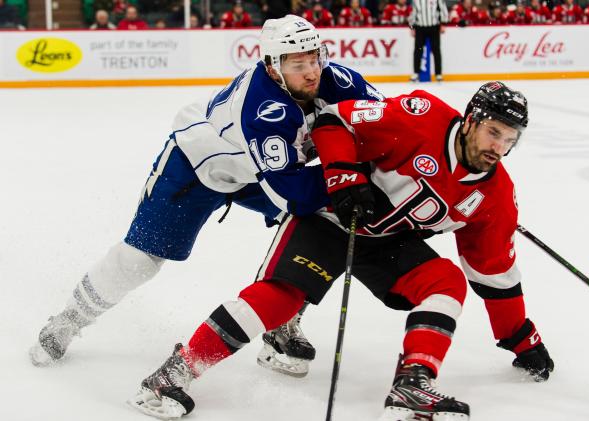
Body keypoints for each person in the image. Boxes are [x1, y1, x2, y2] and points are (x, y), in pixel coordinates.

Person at [129, 82, 554, 420]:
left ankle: (412, 384)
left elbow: (494, 272)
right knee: (281, 297)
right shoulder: (419, 116)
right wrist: (344, 178)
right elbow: (335, 120)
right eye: (493, 132)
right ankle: (173, 374)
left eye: (509, 139)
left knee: (446, 282)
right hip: (331, 217)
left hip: (387, 243)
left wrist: (520, 338)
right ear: (470, 121)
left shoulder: (496, 196)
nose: (498, 146)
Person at [29, 15, 383, 379]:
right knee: (140, 259)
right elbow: (291, 193)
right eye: (298, 64)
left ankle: (282, 322)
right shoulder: (263, 110)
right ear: (273, 68)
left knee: (318, 230)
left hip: (259, 171)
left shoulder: (335, 79)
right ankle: (68, 320)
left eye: (315, 58)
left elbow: (387, 121)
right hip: (197, 169)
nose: (312, 72)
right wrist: (346, 184)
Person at [410, 0, 449, 82]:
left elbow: (443, 9)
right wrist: (412, 27)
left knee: (436, 50)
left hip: (434, 27)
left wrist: (443, 23)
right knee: (418, 50)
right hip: (420, 27)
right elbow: (413, 13)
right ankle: (416, 73)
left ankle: (438, 74)